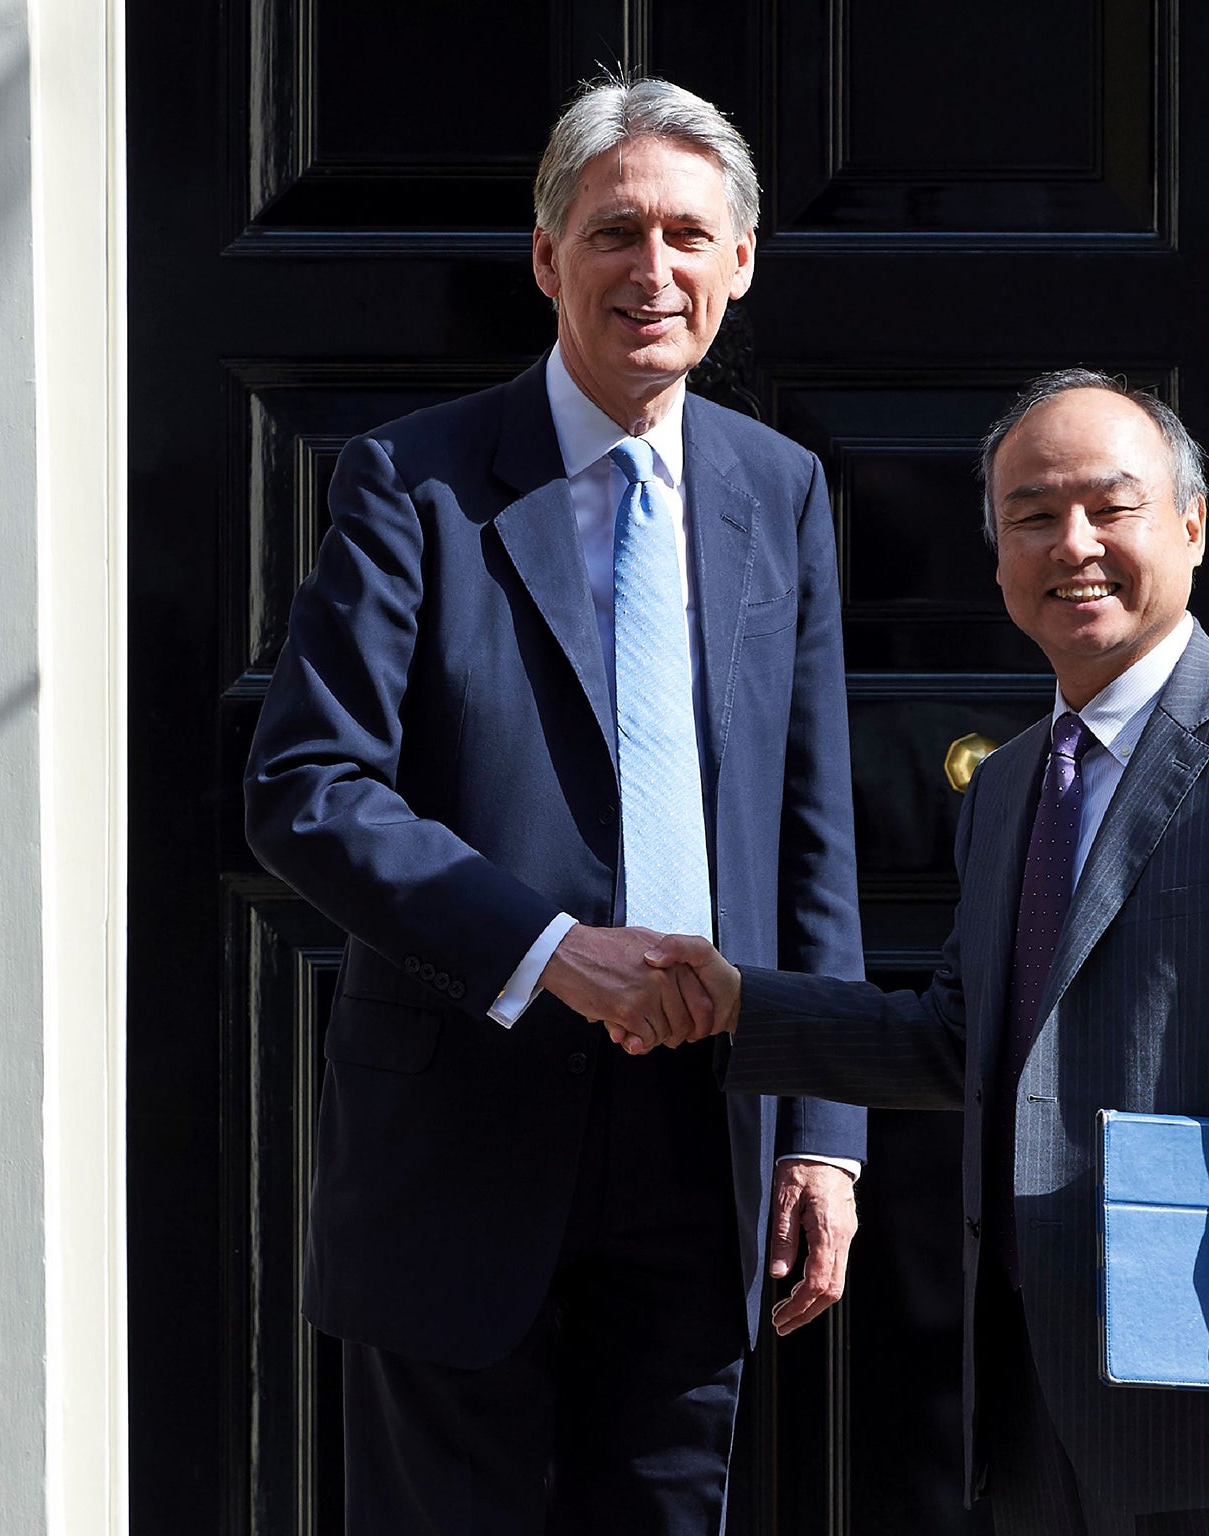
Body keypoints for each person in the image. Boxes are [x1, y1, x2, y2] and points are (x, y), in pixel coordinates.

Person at [639, 372, 1209, 1536]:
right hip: (1038, 1416)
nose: (1074, 546)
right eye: (1031, 516)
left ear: (1191, 525)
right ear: (996, 555)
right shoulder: (1011, 784)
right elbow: (961, 1040)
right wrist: (734, 1007)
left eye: (1111, 508)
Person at [242, 76, 867, 1536]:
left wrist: (825, 1131)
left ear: (742, 263)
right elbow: (305, 785)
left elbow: (811, 830)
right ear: (547, 258)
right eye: (615, 233)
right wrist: (544, 949)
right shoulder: (414, 482)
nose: (653, 271)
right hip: (467, 1125)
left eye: (688, 238)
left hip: (706, 1131)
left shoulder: (781, 490)